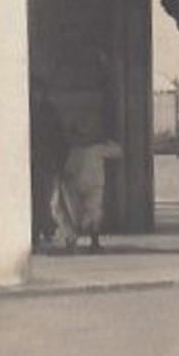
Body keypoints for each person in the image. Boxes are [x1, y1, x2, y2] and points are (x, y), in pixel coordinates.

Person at [53, 139, 122, 253]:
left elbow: (68, 171)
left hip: (77, 185)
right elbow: (118, 152)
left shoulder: (75, 150)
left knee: (76, 214)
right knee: (94, 213)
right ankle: (93, 242)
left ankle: (74, 239)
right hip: (93, 185)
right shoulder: (97, 148)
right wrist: (110, 142)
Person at [29, 76, 67, 248]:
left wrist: (58, 161)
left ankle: (42, 229)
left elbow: (57, 138)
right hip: (38, 161)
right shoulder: (42, 111)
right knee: (40, 198)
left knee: (43, 198)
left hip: (44, 161)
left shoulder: (46, 112)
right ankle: (43, 228)